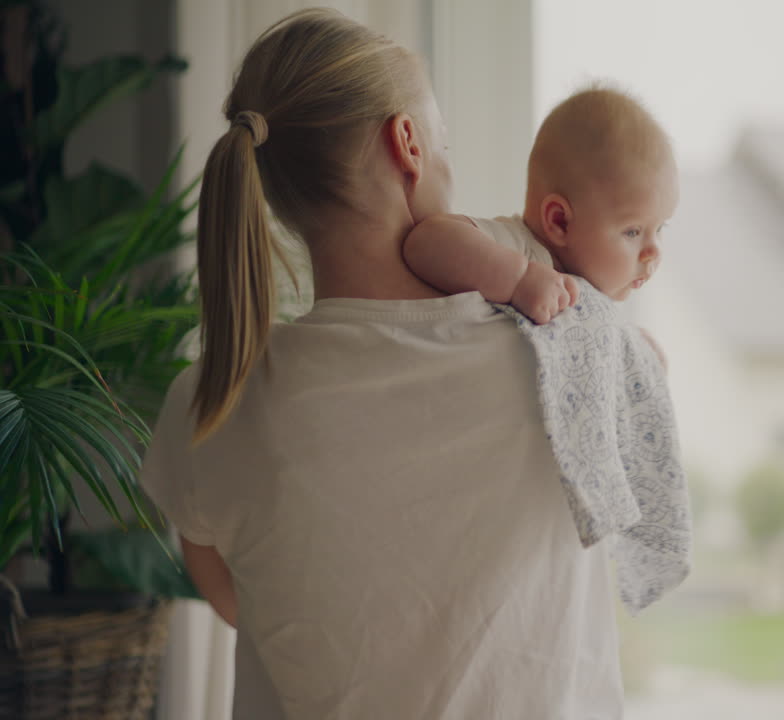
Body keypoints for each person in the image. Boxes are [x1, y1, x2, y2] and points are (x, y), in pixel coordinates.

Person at [140, 9, 623, 719]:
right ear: (407, 143)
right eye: (444, 141)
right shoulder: (564, 356)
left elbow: (231, 591)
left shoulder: (211, 399)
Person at [402, 86, 679, 324]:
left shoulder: (599, 299)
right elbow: (426, 241)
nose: (653, 251)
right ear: (560, 221)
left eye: (660, 228)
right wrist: (518, 279)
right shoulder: (514, 246)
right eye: (633, 231)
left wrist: (634, 349)